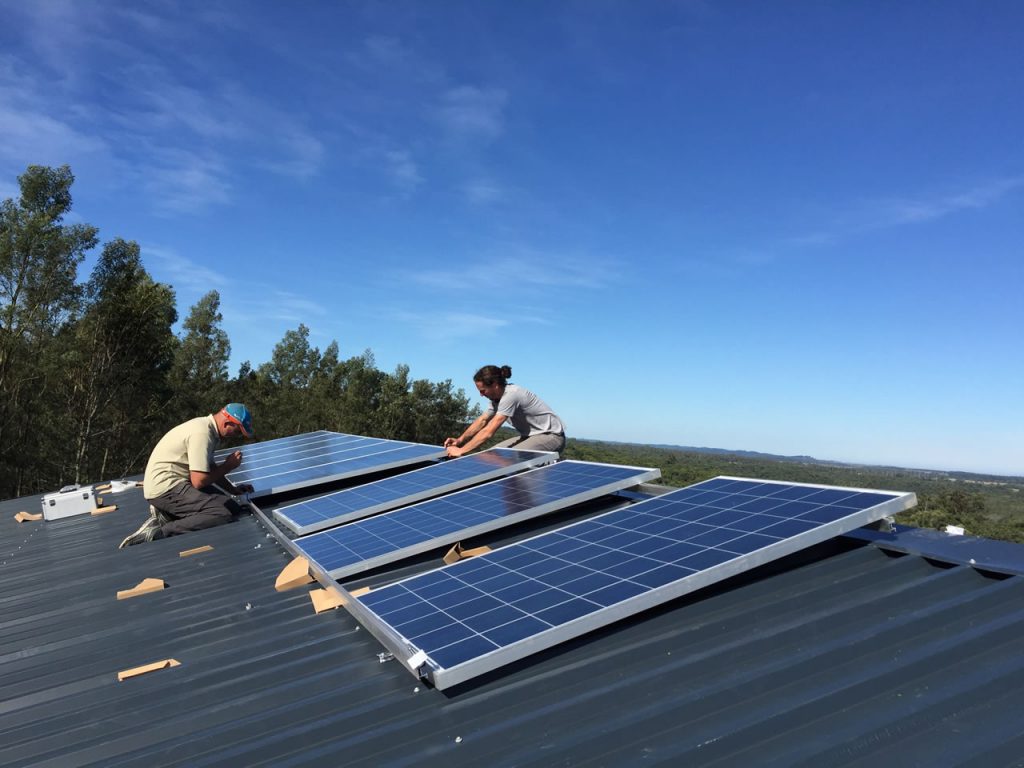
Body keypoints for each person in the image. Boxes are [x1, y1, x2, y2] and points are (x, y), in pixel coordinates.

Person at [118, 403, 256, 548]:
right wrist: (228, 466)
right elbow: (199, 481)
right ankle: (159, 532)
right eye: (238, 431)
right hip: (165, 488)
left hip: (176, 483)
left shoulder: (208, 429)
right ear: (227, 423)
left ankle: (167, 515)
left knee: (233, 507)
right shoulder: (202, 434)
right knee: (220, 514)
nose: (237, 436)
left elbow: (208, 468)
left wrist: (232, 490)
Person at [445, 365, 566, 457]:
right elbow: (482, 421)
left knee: (510, 459)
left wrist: (461, 451)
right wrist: (460, 440)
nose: (481, 395)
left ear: (495, 385)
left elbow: (488, 431)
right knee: (490, 455)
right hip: (529, 436)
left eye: (483, 390)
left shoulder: (511, 395)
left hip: (551, 437)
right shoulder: (496, 398)